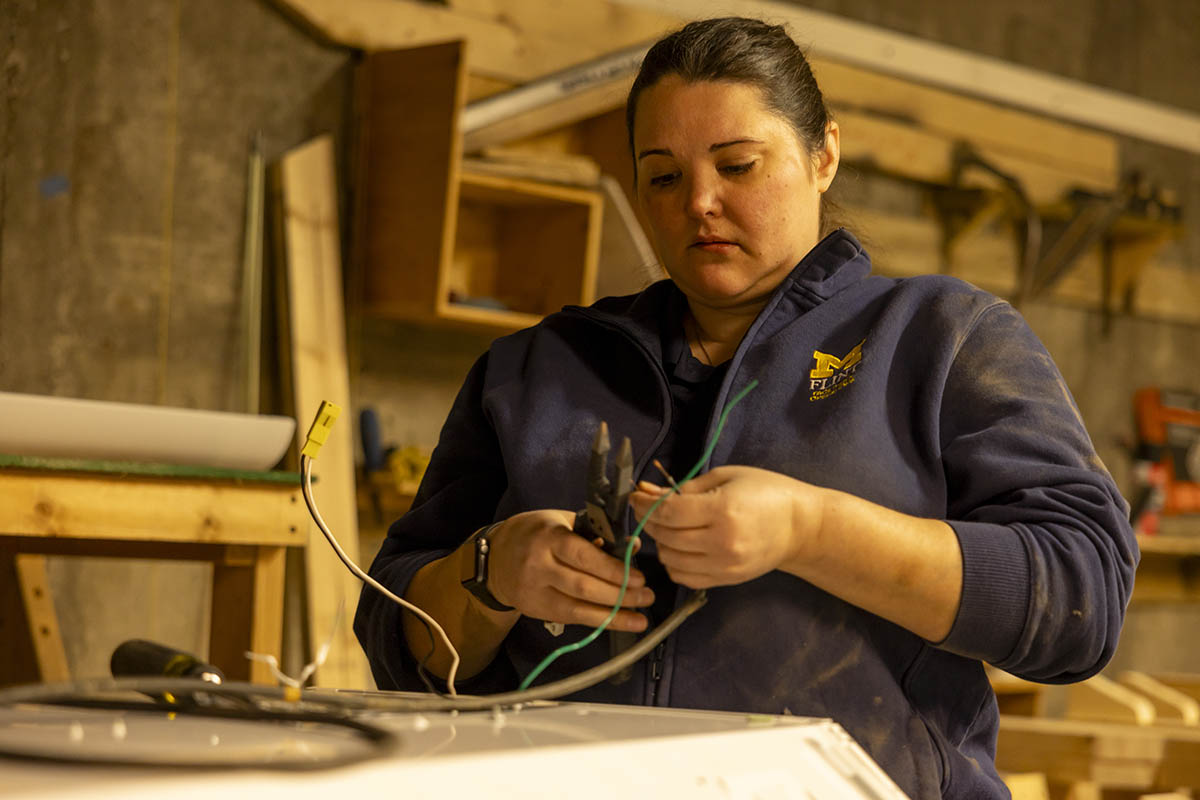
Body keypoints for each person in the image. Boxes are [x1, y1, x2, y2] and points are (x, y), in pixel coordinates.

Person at [355, 17, 1137, 799]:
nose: (700, 202)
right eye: (663, 177)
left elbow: (1082, 597)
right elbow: (396, 635)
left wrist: (812, 529)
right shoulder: (537, 369)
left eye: (737, 166)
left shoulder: (940, 338)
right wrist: (490, 572)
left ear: (822, 154)